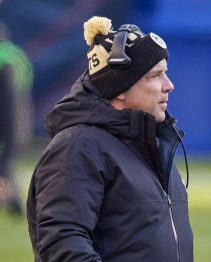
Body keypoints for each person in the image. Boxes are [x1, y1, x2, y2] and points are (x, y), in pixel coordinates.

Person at [27, 16, 193, 261]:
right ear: (120, 88)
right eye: (155, 75)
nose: (169, 85)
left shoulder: (151, 145)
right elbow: (63, 246)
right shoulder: (77, 148)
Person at [0, 21, 34, 216]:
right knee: (6, 164)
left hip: (7, 122)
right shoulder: (18, 54)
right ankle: (16, 205)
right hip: (23, 117)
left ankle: (14, 203)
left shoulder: (3, 59)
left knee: (4, 165)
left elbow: (7, 101)